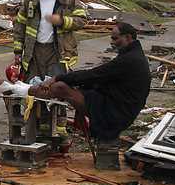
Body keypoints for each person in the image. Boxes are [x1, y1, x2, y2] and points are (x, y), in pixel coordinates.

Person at [28, 22, 150, 169]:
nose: (113, 42)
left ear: (128, 37)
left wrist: (57, 78)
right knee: (73, 86)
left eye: (115, 38)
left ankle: (29, 92)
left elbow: (95, 74)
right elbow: (102, 78)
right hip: (120, 105)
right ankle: (32, 93)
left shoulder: (129, 60)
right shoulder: (133, 55)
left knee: (60, 87)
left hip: (116, 112)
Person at [11, 0, 87, 145]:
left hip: (58, 51)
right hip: (34, 51)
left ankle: (58, 130)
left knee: (57, 88)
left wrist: (62, 21)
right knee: (34, 89)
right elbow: (19, 26)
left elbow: (82, 20)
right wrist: (17, 52)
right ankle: (38, 127)